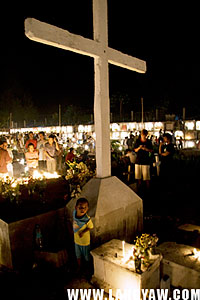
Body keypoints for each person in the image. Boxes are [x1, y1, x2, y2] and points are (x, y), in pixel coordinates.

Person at [72, 197, 93, 276]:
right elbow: (74, 221)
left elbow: (91, 227)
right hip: (76, 240)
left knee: (87, 256)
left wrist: (83, 232)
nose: (82, 209)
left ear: (87, 209)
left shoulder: (87, 219)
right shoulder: (74, 213)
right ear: (76, 207)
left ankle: (88, 268)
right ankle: (79, 267)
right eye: (80, 207)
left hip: (85, 241)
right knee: (78, 255)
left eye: (84, 207)